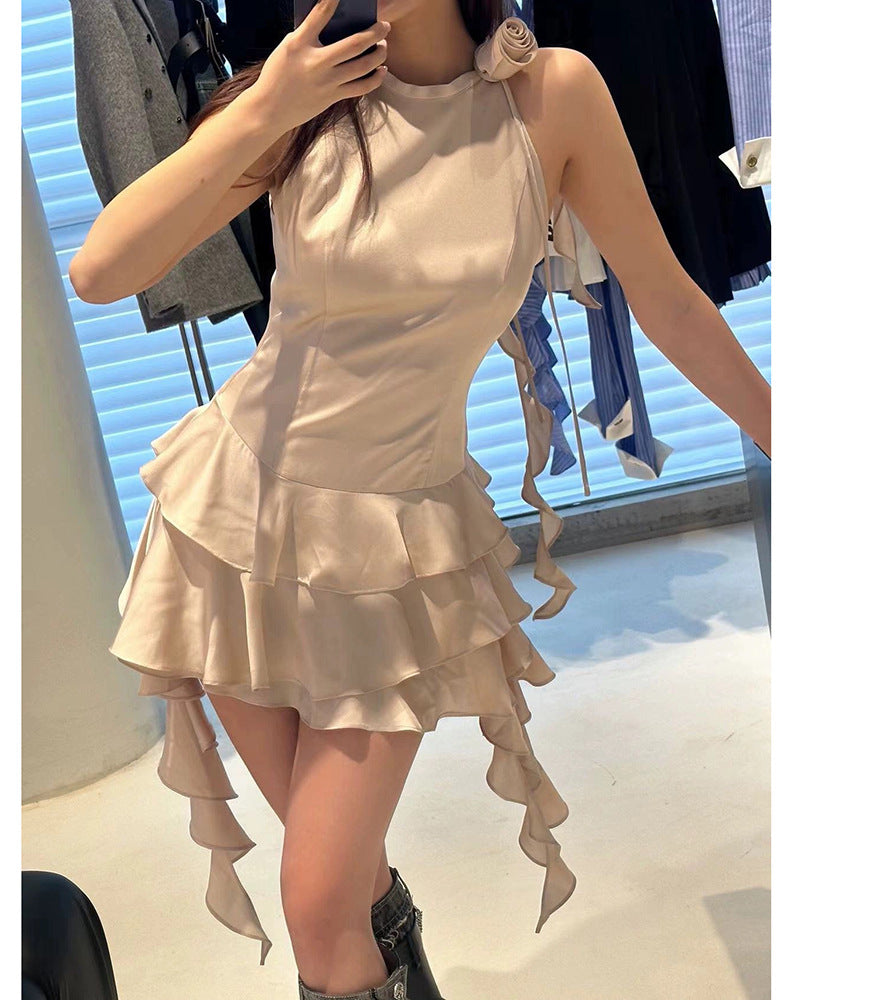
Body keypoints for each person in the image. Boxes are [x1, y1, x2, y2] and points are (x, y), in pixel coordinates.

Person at [68, 2, 772, 998]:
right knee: (343, 884)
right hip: (232, 524)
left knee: (317, 898)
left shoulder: (552, 95)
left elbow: (666, 300)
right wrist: (266, 105)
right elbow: (101, 270)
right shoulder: (303, 97)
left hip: (392, 547)